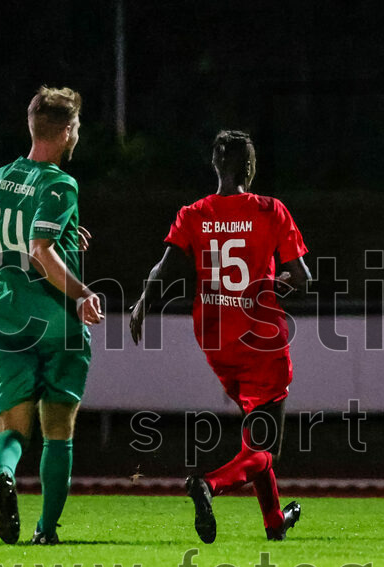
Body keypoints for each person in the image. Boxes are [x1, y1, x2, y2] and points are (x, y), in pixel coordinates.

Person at [130, 130, 310, 543]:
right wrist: (278, 282)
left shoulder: (194, 213)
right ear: (248, 166)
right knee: (266, 449)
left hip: (216, 341)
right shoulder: (270, 210)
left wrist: (142, 304)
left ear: (215, 164)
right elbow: (302, 278)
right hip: (261, 337)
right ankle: (208, 484)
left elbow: (163, 269)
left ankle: (274, 521)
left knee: (254, 433)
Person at [0, 86, 103, 545]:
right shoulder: (59, 183)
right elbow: (41, 251)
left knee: (12, 429)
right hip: (55, 322)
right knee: (58, 432)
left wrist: (64, 237)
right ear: (66, 132)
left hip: (8, 316)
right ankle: (46, 530)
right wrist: (83, 292)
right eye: (77, 127)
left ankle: (4, 474)